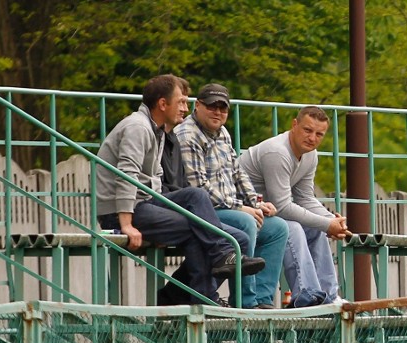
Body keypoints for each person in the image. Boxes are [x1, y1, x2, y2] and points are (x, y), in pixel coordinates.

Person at [95, 74, 265, 305]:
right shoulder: (138, 127)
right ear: (163, 104)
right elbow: (126, 176)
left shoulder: (158, 130)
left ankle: (182, 293)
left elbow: (155, 178)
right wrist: (126, 224)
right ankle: (204, 297)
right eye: (181, 102)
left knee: (233, 232)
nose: (185, 108)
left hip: (147, 202)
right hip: (121, 212)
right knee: (199, 227)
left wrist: (163, 215)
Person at [174, 83, 288, 309]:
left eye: (223, 108)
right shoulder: (187, 135)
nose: (217, 112)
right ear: (197, 106)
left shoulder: (222, 132)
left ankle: (262, 300)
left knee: (278, 228)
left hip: (229, 208)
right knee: (246, 222)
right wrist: (241, 208)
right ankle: (245, 302)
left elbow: (237, 173)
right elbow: (199, 188)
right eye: (212, 106)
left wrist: (257, 202)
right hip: (201, 211)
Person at [238, 106, 349, 304]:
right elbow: (283, 207)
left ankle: (329, 296)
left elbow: (305, 197)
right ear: (294, 125)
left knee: (316, 230)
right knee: (294, 228)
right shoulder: (277, 152)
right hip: (244, 212)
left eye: (319, 134)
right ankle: (306, 296)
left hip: (268, 213)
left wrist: (331, 221)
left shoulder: (310, 154)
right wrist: (326, 223)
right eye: (307, 130)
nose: (312, 138)